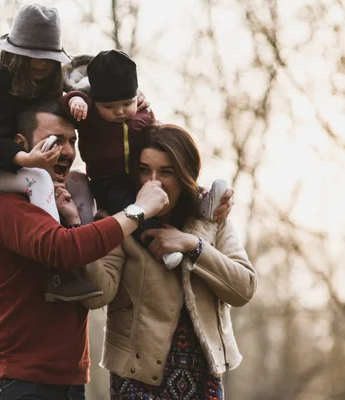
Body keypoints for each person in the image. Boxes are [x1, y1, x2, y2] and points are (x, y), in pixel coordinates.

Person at [0, 101, 169, 399]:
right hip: (19, 376)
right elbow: (63, 249)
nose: (69, 151)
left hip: (70, 376)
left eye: (73, 140)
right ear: (21, 145)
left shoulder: (69, 200)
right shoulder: (2, 205)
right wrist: (138, 211)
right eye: (56, 140)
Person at [82, 124, 258, 399]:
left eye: (166, 172)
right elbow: (96, 295)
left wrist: (193, 246)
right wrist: (84, 230)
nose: (154, 182)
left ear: (186, 175)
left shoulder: (211, 220)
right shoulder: (117, 221)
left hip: (204, 381)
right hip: (136, 379)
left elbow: (244, 288)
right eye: (144, 170)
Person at [0, 4, 101, 302]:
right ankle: (56, 271)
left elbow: (84, 84)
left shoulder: (52, 80)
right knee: (38, 181)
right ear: (16, 54)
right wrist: (28, 160)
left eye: (47, 59)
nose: (40, 65)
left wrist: (129, 97)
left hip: (26, 159)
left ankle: (82, 255)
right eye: (33, 58)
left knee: (76, 182)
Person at [62, 50, 228, 271]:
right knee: (138, 210)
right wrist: (76, 100)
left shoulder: (142, 112)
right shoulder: (91, 115)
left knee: (167, 185)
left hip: (135, 173)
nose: (119, 112)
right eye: (109, 108)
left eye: (126, 103)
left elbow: (161, 145)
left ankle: (202, 202)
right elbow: (66, 104)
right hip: (108, 180)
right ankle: (159, 245)